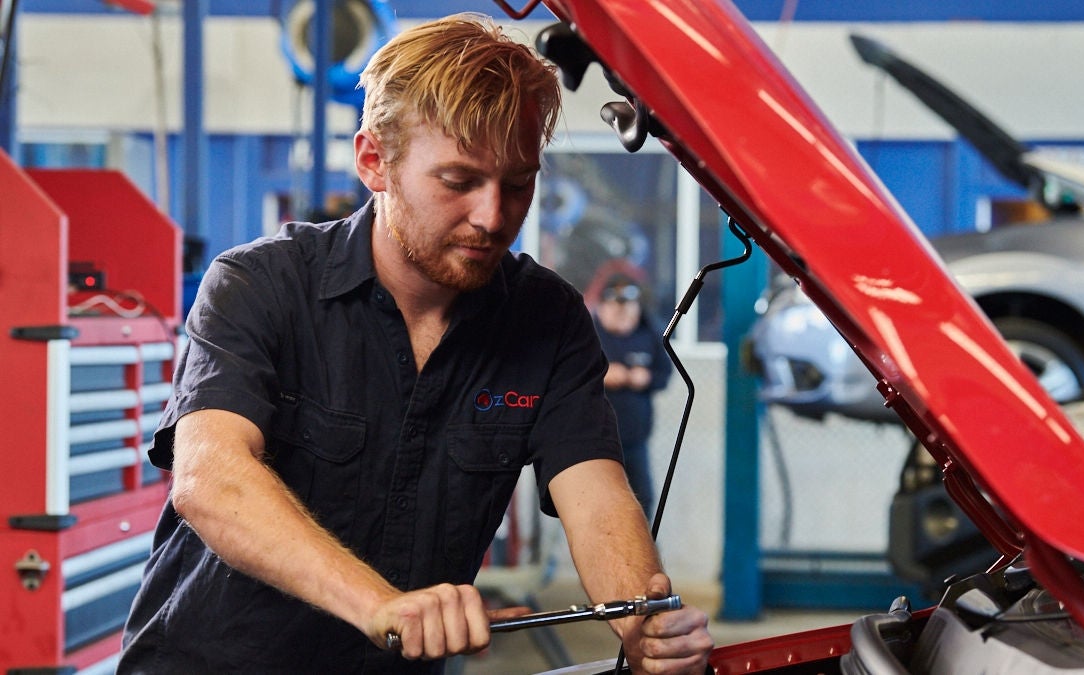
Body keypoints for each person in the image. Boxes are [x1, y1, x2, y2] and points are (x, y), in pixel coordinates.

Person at [118, 14, 711, 675]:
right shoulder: (261, 284)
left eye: (517, 183)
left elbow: (597, 495)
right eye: (458, 181)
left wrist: (642, 622)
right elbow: (210, 478)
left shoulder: (549, 319)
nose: (492, 217)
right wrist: (380, 605)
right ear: (375, 160)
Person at [593, 273, 672, 520]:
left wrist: (645, 378)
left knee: (641, 499)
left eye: (628, 308)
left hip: (635, 438)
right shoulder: (587, 335)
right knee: (600, 503)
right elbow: (563, 376)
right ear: (603, 308)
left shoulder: (648, 333)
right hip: (592, 440)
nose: (623, 313)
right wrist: (600, 375)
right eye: (616, 308)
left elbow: (664, 374)